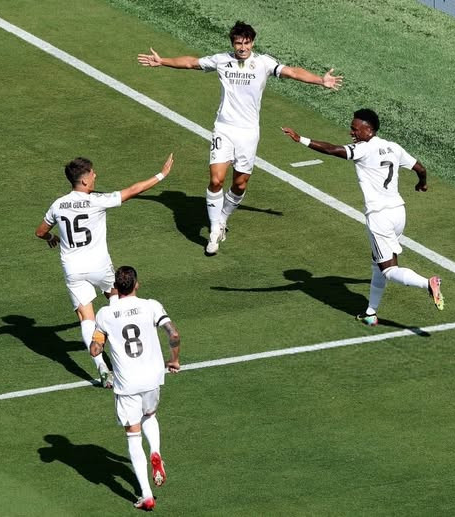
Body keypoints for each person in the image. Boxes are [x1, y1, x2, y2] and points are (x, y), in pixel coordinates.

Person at [138, 21, 342, 255]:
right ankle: (214, 230)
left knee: (240, 184)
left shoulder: (264, 63)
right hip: (224, 129)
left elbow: (293, 72)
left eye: (246, 43)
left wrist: (320, 80)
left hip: (248, 133)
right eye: (238, 43)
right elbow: (191, 63)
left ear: (252, 43)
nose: (242, 47)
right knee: (216, 180)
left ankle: (223, 218)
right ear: (232, 44)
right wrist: (163, 61)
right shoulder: (221, 60)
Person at [282, 109, 444, 325]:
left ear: (369, 130)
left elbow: (332, 149)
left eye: (355, 129)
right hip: (398, 212)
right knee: (377, 263)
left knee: (389, 270)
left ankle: (428, 283)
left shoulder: (363, 149)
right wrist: (421, 184)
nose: (352, 132)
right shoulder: (393, 147)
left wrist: (300, 139)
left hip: (379, 217)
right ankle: (370, 313)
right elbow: (421, 169)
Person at [35, 153, 174, 386]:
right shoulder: (97, 200)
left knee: (85, 317)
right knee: (118, 300)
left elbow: (40, 232)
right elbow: (134, 190)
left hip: (73, 270)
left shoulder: (57, 205)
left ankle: (101, 367)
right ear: (84, 180)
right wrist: (161, 174)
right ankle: (130, 346)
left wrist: (51, 237)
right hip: (99, 266)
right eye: (92, 174)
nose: (95, 176)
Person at [90, 265, 181, 511]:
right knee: (149, 415)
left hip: (127, 383)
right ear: (137, 285)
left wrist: (97, 345)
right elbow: (173, 334)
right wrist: (174, 360)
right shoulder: (152, 306)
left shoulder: (105, 314)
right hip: (152, 377)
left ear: (115, 288)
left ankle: (146, 495)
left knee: (133, 434)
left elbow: (95, 349)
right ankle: (156, 452)